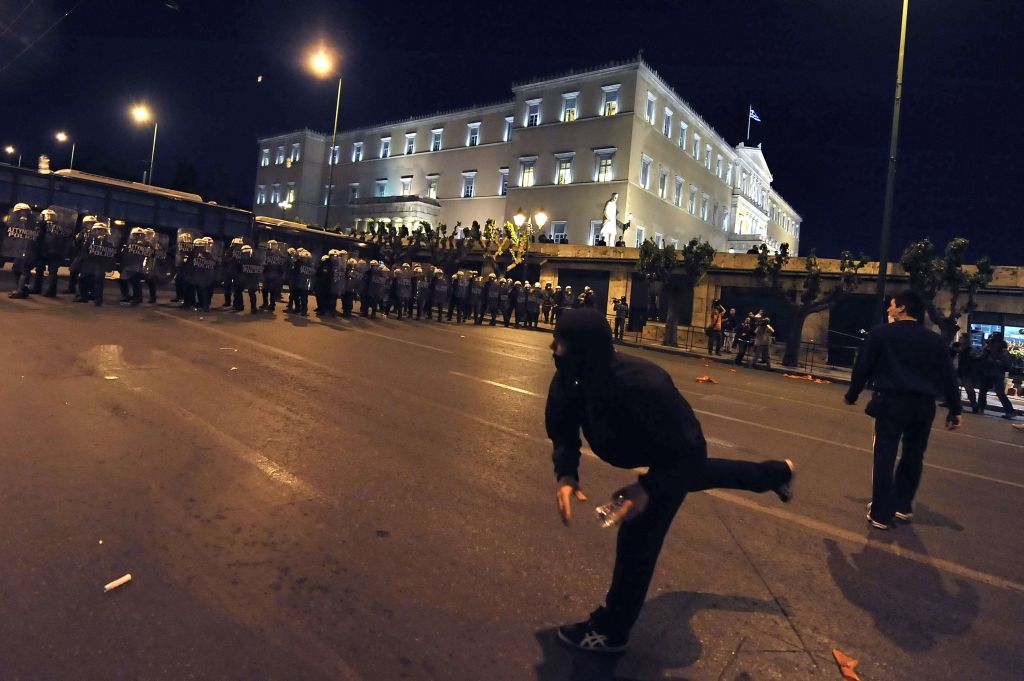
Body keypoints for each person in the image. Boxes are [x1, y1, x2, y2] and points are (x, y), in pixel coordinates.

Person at [546, 309, 794, 654]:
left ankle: (612, 629)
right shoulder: (570, 378)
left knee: (637, 537)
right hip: (646, 447)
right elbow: (563, 430)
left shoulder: (645, 384)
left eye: (559, 343)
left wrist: (648, 488)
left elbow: (690, 453)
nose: (552, 348)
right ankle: (777, 473)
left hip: (673, 454)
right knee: (704, 474)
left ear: (584, 351)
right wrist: (566, 475)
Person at [844, 290, 962, 530]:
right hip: (923, 406)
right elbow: (948, 376)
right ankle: (903, 505)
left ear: (902, 308)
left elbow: (863, 366)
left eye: (891, 305)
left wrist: (852, 394)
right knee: (914, 454)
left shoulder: (881, 334)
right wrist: (955, 409)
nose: (889, 309)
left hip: (891, 402)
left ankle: (881, 513)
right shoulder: (935, 340)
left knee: (885, 454)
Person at [977, 332, 1017, 419]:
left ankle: (1010, 411)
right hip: (988, 371)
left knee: (999, 392)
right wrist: (983, 357)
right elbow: (981, 356)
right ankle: (980, 408)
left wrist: (994, 361)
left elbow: (1006, 364)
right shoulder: (988, 347)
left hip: (997, 373)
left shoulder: (1003, 350)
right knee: (983, 390)